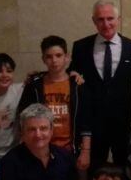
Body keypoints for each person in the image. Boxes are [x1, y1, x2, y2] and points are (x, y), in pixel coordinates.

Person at [69, 0, 131, 180]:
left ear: (118, 19)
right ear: (94, 21)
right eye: (100, 19)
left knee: (125, 171)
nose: (106, 24)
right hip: (93, 123)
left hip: (123, 123)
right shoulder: (81, 47)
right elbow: (70, 74)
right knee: (95, 170)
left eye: (110, 18)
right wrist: (72, 75)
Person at [17, 36, 92, 171]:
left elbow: (86, 121)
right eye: (49, 56)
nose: (54, 60)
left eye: (58, 55)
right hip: (40, 148)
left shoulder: (77, 85)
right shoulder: (34, 85)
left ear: (67, 57)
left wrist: (85, 151)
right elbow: (22, 117)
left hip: (71, 150)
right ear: (43, 59)